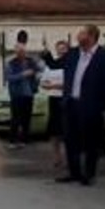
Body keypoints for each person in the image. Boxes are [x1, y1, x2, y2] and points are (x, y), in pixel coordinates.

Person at [55, 25, 105, 186]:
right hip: (71, 103)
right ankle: (74, 172)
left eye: (82, 33)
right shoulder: (73, 54)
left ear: (91, 37)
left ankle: (89, 174)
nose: (78, 36)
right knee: (70, 140)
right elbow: (55, 64)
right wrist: (44, 53)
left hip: (92, 105)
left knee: (90, 141)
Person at [39, 41, 70, 169]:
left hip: (66, 99)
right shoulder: (51, 65)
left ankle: (69, 156)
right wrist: (49, 86)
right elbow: (43, 82)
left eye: (63, 49)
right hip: (53, 99)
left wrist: (54, 85)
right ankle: (57, 157)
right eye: (59, 49)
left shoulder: (69, 64)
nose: (61, 51)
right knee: (54, 131)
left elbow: (70, 82)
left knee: (66, 130)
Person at [4, 45, 40, 149]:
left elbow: (39, 70)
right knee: (15, 118)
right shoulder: (11, 63)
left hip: (29, 93)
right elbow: (9, 78)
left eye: (23, 51)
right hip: (17, 94)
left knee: (26, 118)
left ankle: (24, 140)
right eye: (19, 52)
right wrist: (23, 74)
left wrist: (36, 77)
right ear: (16, 53)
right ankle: (12, 141)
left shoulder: (31, 62)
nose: (22, 53)